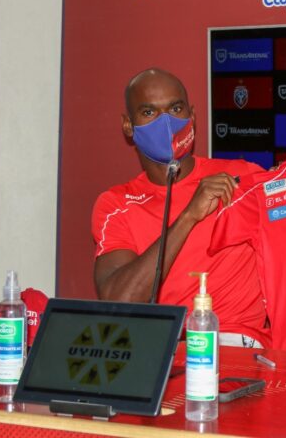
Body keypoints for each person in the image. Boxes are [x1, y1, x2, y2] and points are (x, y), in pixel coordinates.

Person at [91, 68, 270, 348]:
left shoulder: (242, 177)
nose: (166, 123)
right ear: (128, 126)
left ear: (192, 116)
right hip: (161, 349)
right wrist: (188, 216)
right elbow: (119, 302)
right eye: (149, 112)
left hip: (235, 346)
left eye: (176, 109)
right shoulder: (116, 204)